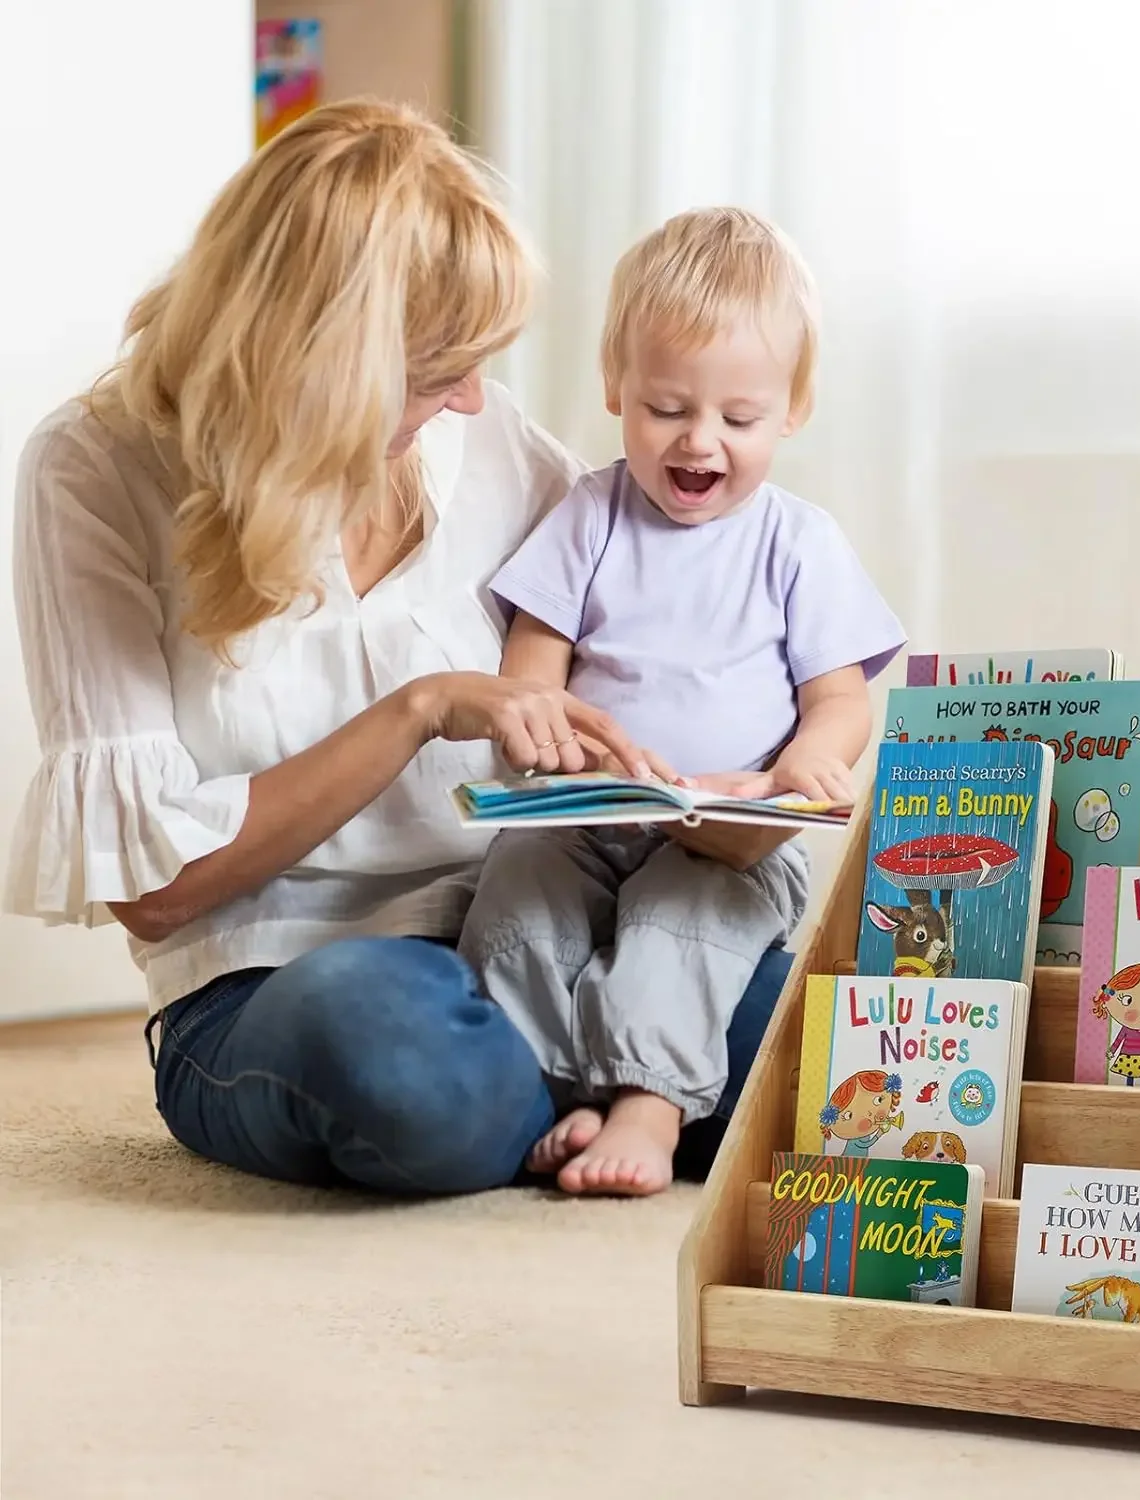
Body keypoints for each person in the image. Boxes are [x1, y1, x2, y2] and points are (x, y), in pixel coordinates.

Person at [2, 100, 797, 1194]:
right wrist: (419, 709)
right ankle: (593, 1090)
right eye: (437, 373)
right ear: (321, 368)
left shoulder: (482, 436)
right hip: (277, 981)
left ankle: (576, 1094)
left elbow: (646, 610)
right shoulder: (95, 471)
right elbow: (155, 891)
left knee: (805, 1043)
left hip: (529, 929)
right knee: (394, 1048)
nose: (472, 398)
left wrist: (732, 793)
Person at [456, 209, 906, 1196]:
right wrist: (542, 734)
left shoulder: (798, 542)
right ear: (617, 387)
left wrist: (805, 763)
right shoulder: (590, 514)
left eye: (738, 420)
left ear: (792, 407)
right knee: (516, 900)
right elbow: (534, 660)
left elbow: (840, 698)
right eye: (665, 408)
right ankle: (560, 1091)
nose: (700, 441)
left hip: (724, 831)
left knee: (676, 918)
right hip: (592, 814)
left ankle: (650, 1107)